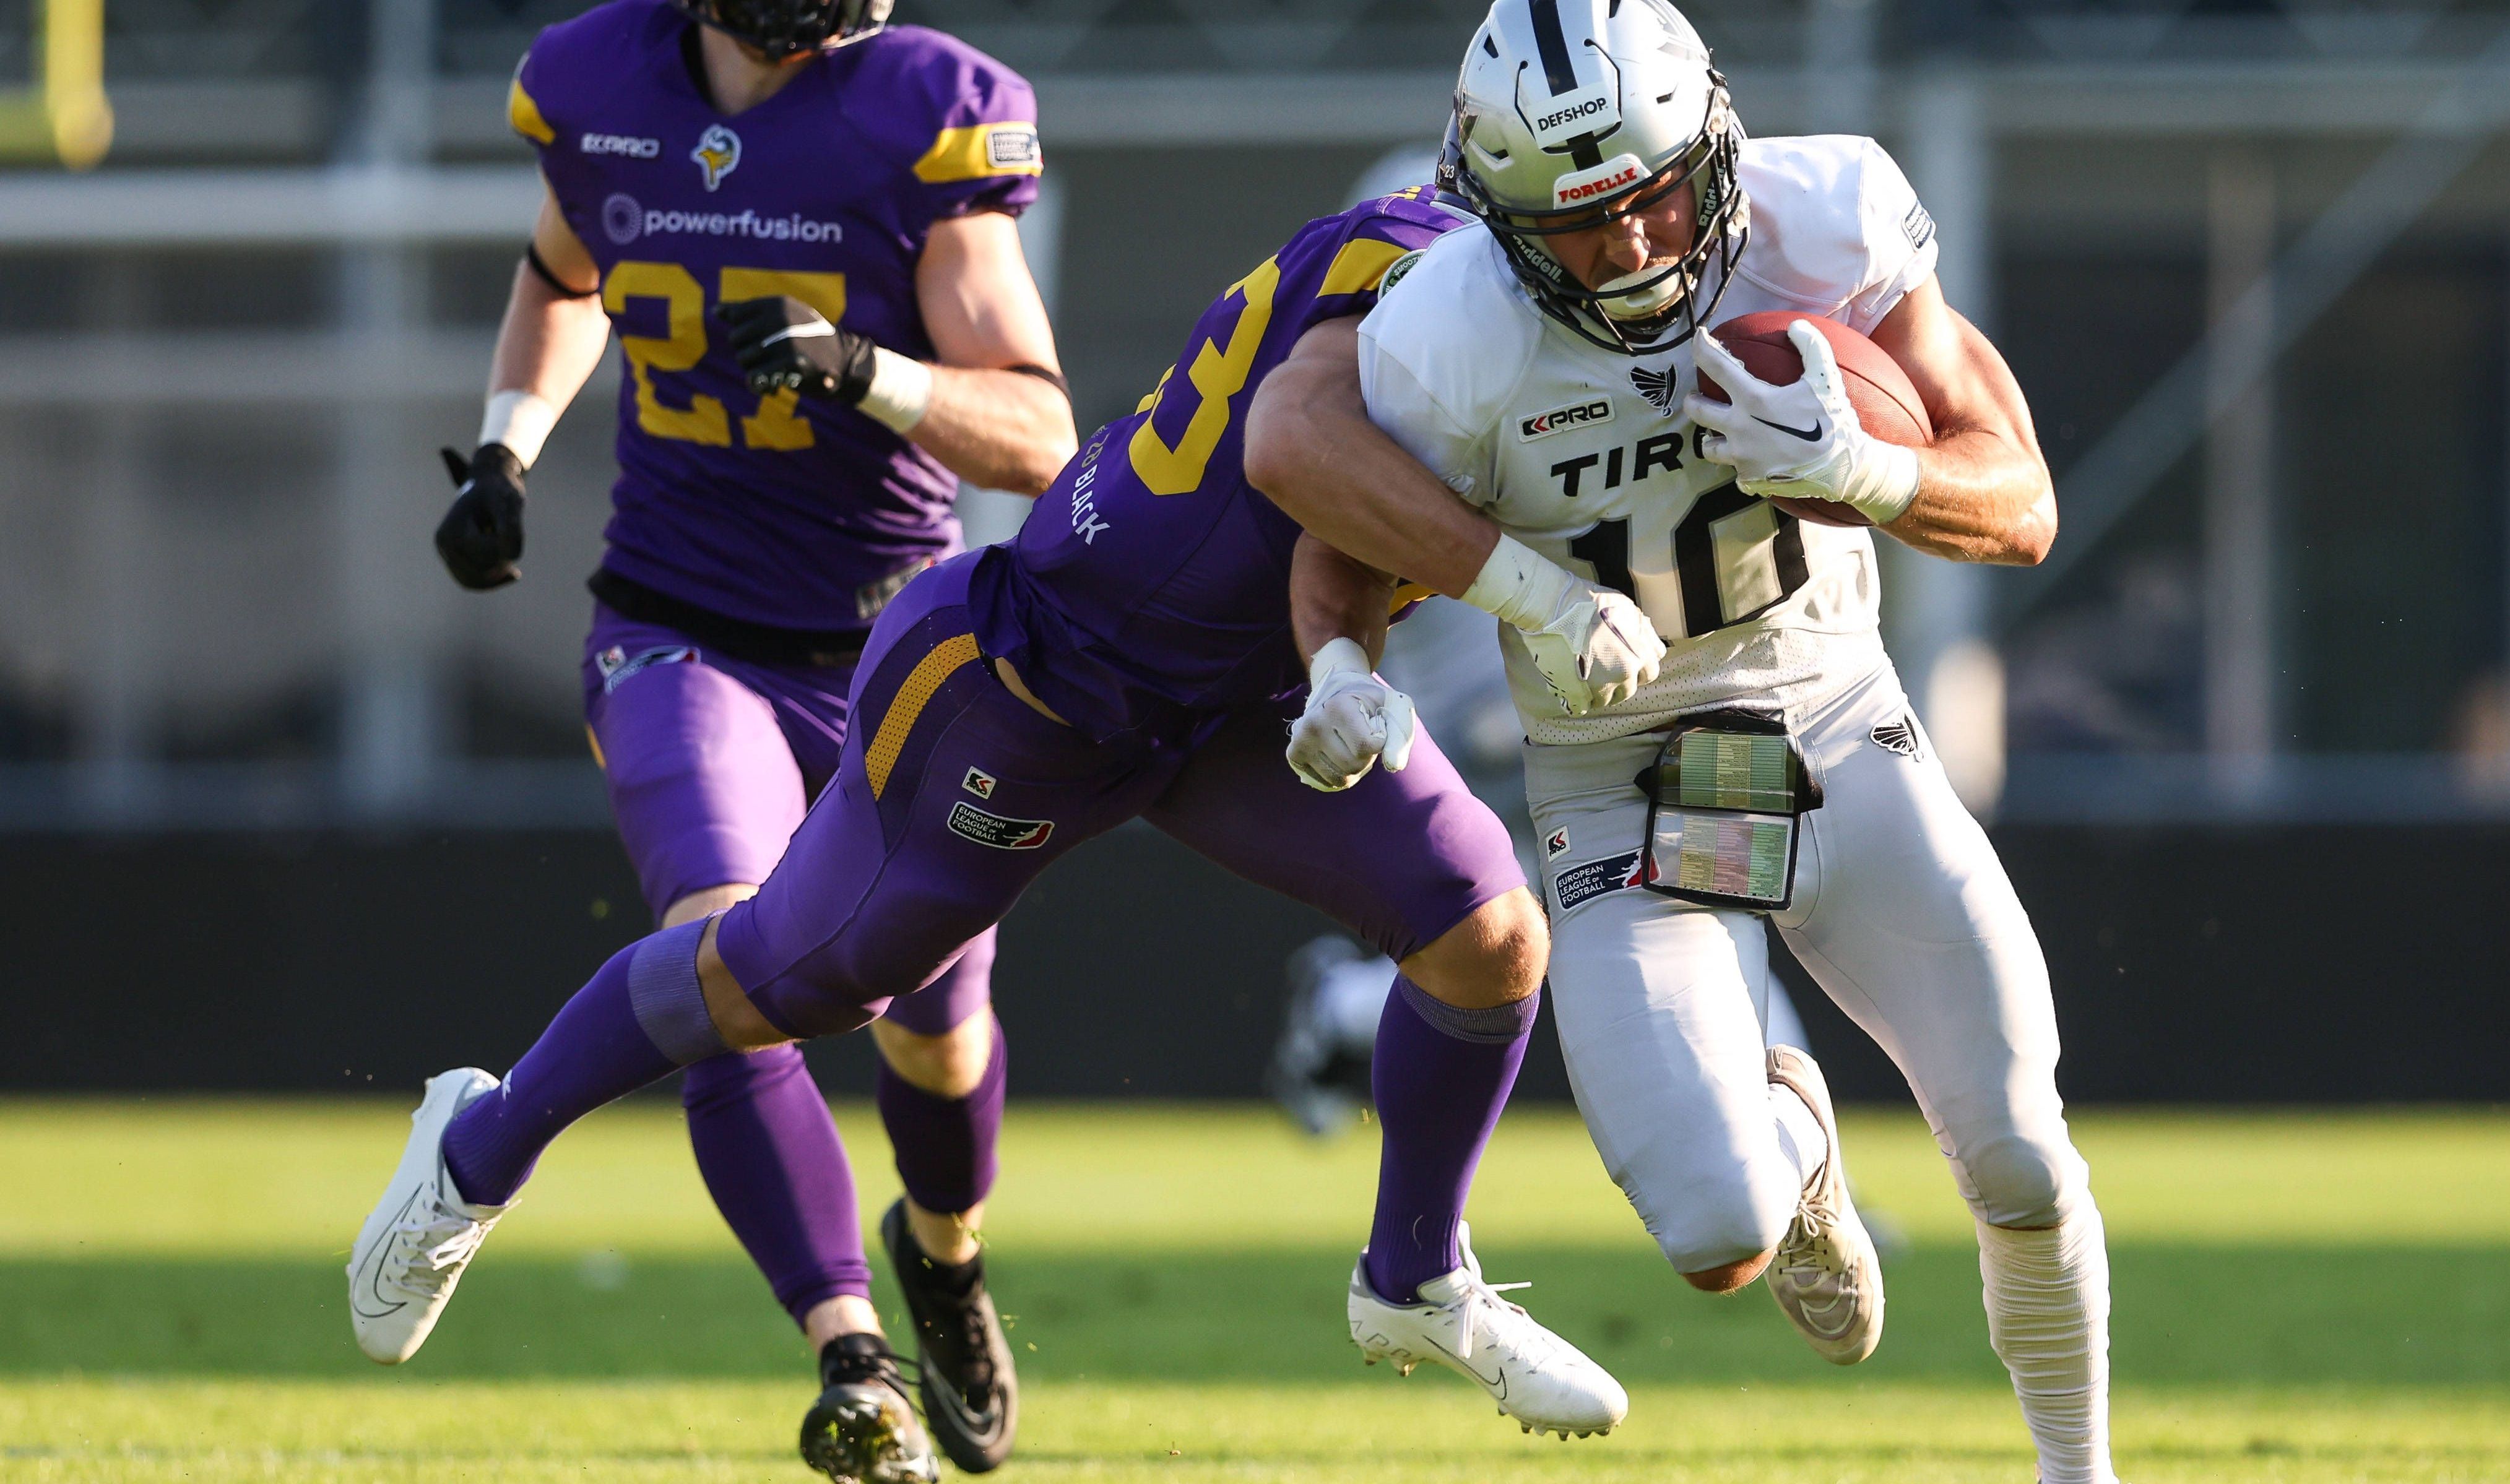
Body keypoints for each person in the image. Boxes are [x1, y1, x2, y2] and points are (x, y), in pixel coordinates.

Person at [353, 184, 1635, 1478]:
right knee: (777, 983)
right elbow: (1297, 451)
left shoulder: (1596, 308)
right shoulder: (1426, 282)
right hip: (1032, 679)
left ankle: (1414, 1269)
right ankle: (476, 1145)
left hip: (1241, 700)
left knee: (1484, 933)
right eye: (1607, 211)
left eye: (1661, 204)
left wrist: (1342, 662)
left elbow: (1342, 531)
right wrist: (1527, 596)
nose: (1640, 248)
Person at [1255, 4, 2120, 1480]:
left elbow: (2018, 497)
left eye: (1654, 192)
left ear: (1713, 138)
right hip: (1618, 776)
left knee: (2020, 1155)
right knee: (1718, 1233)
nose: (1633, 247)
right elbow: (1333, 536)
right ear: (1495, 212)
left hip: (1835, 711)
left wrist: (1867, 467)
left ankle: (2075, 1468)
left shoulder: (1825, 213)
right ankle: (1797, 1135)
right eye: (1576, 224)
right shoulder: (1449, 328)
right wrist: (1338, 664)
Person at [413, 0, 1075, 1473]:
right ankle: (851, 1355)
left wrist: (865, 371)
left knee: (936, 1035)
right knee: (730, 960)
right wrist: (509, 442)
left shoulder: (920, 109)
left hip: (899, 653)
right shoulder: (598, 80)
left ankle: (943, 1253)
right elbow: (562, 269)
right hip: (674, 622)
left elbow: (1040, 435)